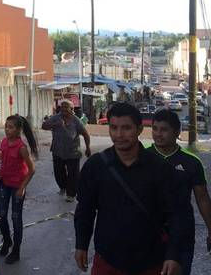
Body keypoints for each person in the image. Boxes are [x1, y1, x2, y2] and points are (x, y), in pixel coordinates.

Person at [74, 102, 191, 275]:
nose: (119, 135)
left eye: (126, 128)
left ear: (139, 129)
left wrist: (173, 255)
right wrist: (81, 245)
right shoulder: (95, 166)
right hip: (108, 260)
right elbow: (85, 209)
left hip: (151, 261)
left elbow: (178, 214)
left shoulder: (160, 169)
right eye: (114, 128)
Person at [149, 109, 211, 274]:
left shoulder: (191, 162)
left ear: (177, 132)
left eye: (164, 129)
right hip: (149, 233)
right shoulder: (143, 157)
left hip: (182, 233)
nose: (158, 134)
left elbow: (202, 198)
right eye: (155, 128)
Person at [0, 114, 38, 264]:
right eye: (6, 127)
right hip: (4, 183)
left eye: (11, 127)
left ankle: (16, 250)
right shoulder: (4, 142)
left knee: (16, 218)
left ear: (19, 130)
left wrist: (22, 188)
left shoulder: (22, 148)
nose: (7, 130)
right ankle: (7, 240)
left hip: (17, 186)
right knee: (1, 215)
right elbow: (4, 158)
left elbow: (32, 169)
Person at [42, 99, 92, 202]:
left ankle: (71, 194)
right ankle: (63, 187)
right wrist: (56, 125)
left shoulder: (76, 120)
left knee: (73, 174)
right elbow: (44, 126)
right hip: (58, 150)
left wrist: (88, 147)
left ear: (71, 109)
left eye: (66, 107)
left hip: (73, 152)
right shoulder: (56, 118)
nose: (63, 109)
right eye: (62, 107)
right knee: (58, 173)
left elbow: (85, 134)